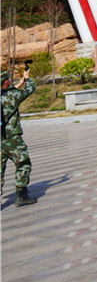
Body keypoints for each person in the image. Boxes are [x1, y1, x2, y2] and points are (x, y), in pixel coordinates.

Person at [2, 67, 37, 206]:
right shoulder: (12, 96)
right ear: (5, 82)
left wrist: (18, 85)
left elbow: (6, 93)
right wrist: (27, 79)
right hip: (12, 138)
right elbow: (30, 88)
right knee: (23, 163)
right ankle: (21, 194)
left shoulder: (9, 94)